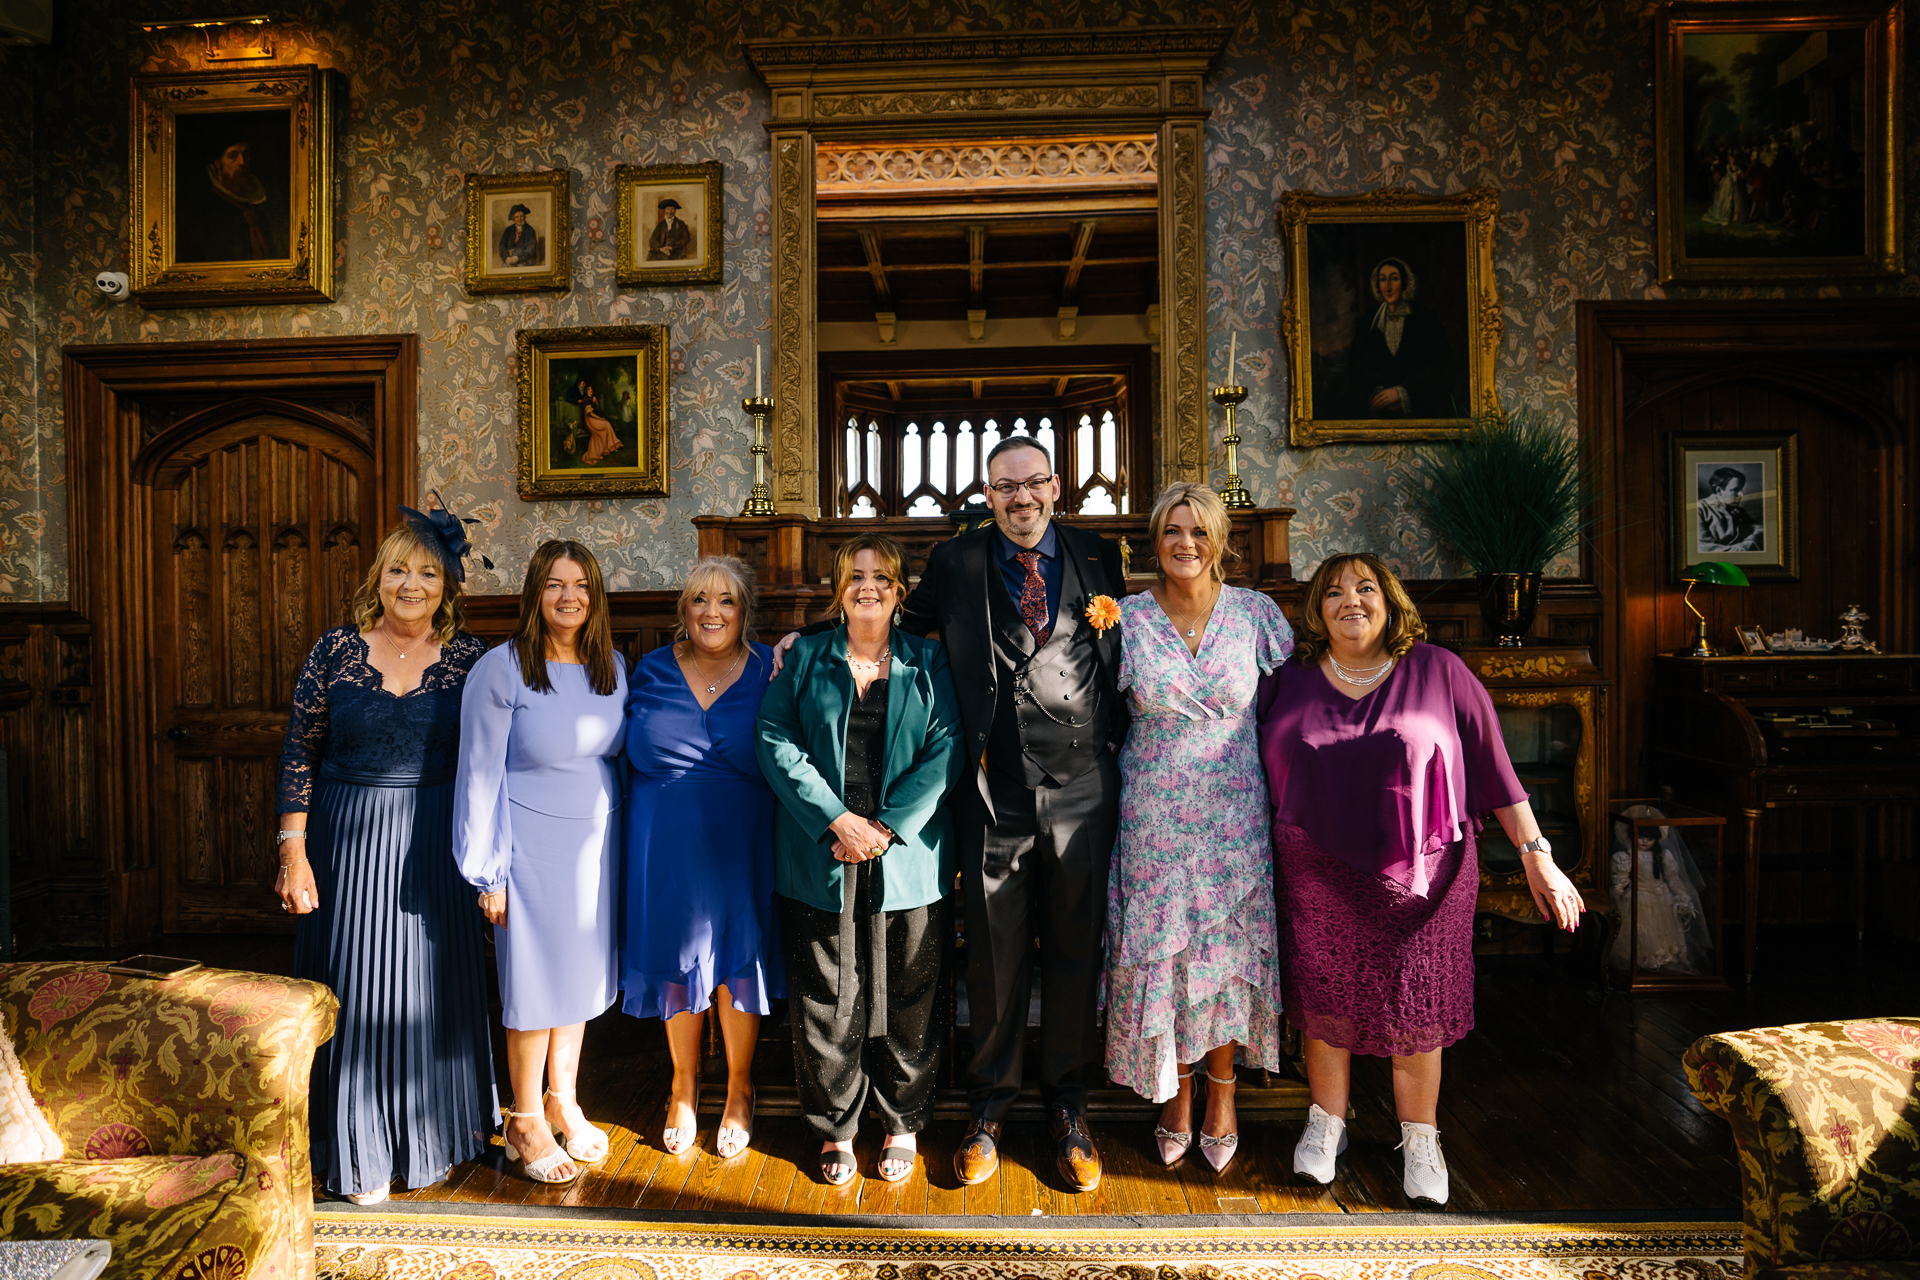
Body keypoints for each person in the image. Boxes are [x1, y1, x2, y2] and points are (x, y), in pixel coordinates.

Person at [776, 436, 1127, 1193]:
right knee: (994, 962)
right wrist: (798, 638)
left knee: (1075, 949)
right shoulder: (957, 562)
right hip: (993, 790)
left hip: (1084, 788)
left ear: (1056, 487)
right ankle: (988, 1112)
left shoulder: (1100, 557)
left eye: (1033, 484)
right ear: (988, 493)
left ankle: (1069, 1111)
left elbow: (1123, 660)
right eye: (1006, 487)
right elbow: (882, 617)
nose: (1021, 497)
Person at [1256, 552, 1585, 1206]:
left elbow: (1495, 769)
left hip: (1426, 873)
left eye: (1366, 587)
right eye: (1334, 592)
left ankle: (1422, 1135)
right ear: (1316, 611)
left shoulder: (1440, 671)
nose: (1351, 600)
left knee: (1416, 1004)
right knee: (1326, 998)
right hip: (1315, 866)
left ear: (1391, 600)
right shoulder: (1287, 678)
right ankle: (1326, 1125)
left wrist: (1538, 853)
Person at [273, 502, 496, 1205]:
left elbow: (495, 762)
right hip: (346, 841)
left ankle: (433, 1137)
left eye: (427, 571)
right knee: (355, 993)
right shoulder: (333, 650)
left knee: (429, 990)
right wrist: (293, 852)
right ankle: (356, 1147)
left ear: (447, 584)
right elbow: (298, 754)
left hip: (436, 840)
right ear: (378, 577)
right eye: (398, 568)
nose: (411, 583)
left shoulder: (472, 658)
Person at [757, 534, 962, 1186]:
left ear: (900, 591)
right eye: (855, 576)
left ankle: (901, 1119)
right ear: (838, 589)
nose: (868, 586)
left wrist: (885, 827)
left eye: (881, 577)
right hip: (821, 853)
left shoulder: (928, 660)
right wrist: (838, 820)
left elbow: (948, 747)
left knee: (910, 994)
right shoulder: (805, 657)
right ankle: (836, 1127)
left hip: (907, 858)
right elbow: (774, 737)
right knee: (828, 996)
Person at [1105, 483, 1292, 1174]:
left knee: (1224, 959)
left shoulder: (1257, 617)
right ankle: (1173, 1094)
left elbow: (1290, 708)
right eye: (1172, 532)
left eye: (1199, 531)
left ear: (1220, 541)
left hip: (1234, 812)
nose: (1186, 543)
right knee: (1166, 955)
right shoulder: (1124, 619)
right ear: (1154, 543)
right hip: (1152, 812)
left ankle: (1223, 1093)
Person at [454, 540, 627, 1187]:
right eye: (555, 584)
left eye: (580, 585)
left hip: (593, 848)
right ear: (535, 593)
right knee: (532, 988)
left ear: (594, 595)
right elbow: (478, 775)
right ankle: (524, 1116)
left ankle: (564, 1099)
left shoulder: (610, 664)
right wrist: (488, 870)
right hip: (527, 847)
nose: (568, 597)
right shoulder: (501, 670)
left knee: (576, 983)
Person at [622, 556, 784, 1159]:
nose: (711, 612)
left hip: (742, 832)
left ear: (745, 613)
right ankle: (683, 1087)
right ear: (682, 611)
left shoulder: (773, 664)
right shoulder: (649, 669)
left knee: (740, 957)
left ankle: (740, 1087)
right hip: (662, 836)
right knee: (676, 956)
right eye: (699, 600)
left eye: (726, 601)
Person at [1344, 257, 1455, 419]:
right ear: (1377, 285)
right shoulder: (1367, 323)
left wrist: (1402, 393)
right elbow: (1357, 369)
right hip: (1378, 415)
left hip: (1420, 413)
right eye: (1383, 280)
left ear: (1405, 283)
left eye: (1394, 278)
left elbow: (1439, 368)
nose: (1388, 287)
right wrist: (1378, 395)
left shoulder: (1426, 320)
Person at [1698, 467, 1761, 552]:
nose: (1741, 494)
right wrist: (1740, 550)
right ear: (1719, 490)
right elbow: (1704, 547)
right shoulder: (1700, 509)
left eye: (1741, 489)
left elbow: (1759, 529)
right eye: (1735, 490)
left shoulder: (1740, 511)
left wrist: (1748, 542)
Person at [572, 377, 623, 466]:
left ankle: (602, 450)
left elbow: (596, 411)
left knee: (602, 430)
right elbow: (590, 414)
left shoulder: (592, 399)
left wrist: (597, 404)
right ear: (585, 390)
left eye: (591, 389)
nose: (591, 390)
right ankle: (613, 445)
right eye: (588, 389)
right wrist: (601, 419)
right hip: (590, 420)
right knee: (606, 424)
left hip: (593, 419)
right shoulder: (586, 399)